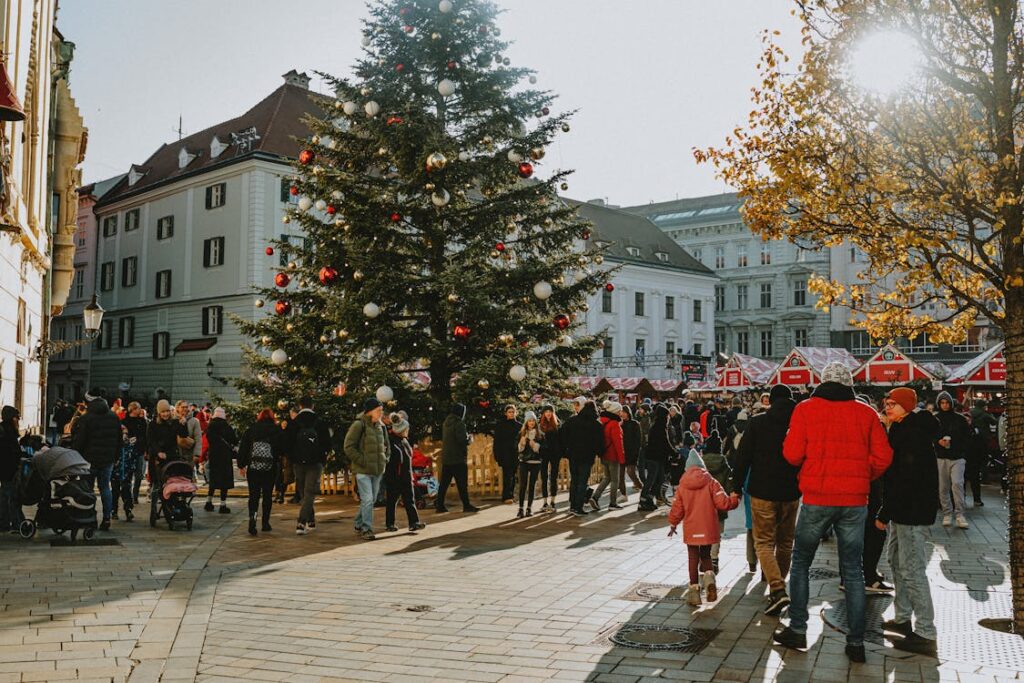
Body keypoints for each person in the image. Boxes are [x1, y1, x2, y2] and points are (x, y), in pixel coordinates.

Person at [773, 362, 893, 664]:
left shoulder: (806, 409)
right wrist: (863, 474)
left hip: (817, 497)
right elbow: (884, 457)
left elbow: (790, 454)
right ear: (848, 384)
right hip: (854, 501)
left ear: (822, 382)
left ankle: (798, 629)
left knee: (800, 563)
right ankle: (856, 642)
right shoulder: (865, 413)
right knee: (853, 570)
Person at [877, 387, 940, 655]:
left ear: (906, 406)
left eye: (893, 404)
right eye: (886, 403)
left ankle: (926, 632)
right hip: (903, 510)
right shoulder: (901, 429)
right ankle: (902, 618)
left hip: (912, 511)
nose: (888, 407)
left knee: (912, 568)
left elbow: (904, 480)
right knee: (895, 562)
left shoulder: (912, 435)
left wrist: (884, 511)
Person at [731, 385, 799, 615]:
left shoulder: (758, 422)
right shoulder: (798, 423)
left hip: (762, 491)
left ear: (771, 400)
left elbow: (743, 457)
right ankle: (777, 590)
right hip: (791, 492)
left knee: (764, 542)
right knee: (786, 542)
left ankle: (778, 590)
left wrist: (736, 486)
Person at [668, 448, 740, 606]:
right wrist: (735, 499)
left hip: (691, 529)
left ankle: (694, 592)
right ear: (702, 467)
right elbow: (723, 503)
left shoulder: (682, 485)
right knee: (706, 556)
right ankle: (709, 581)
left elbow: (677, 508)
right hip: (708, 528)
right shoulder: (711, 482)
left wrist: (673, 523)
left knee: (693, 558)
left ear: (687, 468)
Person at [72, 397, 122, 531]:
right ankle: (106, 518)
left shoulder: (86, 418)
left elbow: (80, 440)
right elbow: (119, 439)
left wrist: (76, 455)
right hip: (108, 459)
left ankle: (90, 517)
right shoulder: (114, 417)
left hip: (88, 460)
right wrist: (116, 456)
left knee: (87, 489)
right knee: (105, 487)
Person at [344, 398, 389, 540]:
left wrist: (385, 459)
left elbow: (386, 446)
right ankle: (366, 529)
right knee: (368, 499)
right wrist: (363, 461)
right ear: (370, 411)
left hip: (377, 470)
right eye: (378, 410)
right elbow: (348, 447)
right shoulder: (359, 425)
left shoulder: (381, 427)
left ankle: (358, 522)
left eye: (381, 410)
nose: (381, 413)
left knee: (371, 499)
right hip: (363, 470)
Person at [287, 396, 332, 535]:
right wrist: (322, 458)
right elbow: (328, 444)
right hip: (315, 463)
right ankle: (305, 521)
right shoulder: (320, 423)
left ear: (300, 406)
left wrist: (293, 458)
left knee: (303, 493)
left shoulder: (293, 423)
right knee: (310, 492)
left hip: (298, 463)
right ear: (313, 406)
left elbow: (286, 444)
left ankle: (303, 521)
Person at [237, 408, 284, 535]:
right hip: (270, 468)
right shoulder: (276, 430)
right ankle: (265, 523)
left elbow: (244, 447)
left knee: (254, 496)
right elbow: (281, 449)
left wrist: (241, 464)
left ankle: (252, 520)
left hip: (253, 468)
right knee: (267, 495)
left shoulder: (252, 429)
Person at [934, 391, 971, 528]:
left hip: (957, 456)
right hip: (941, 456)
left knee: (957, 484)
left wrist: (959, 447)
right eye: (942, 403)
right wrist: (938, 442)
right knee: (943, 486)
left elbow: (967, 437)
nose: (944, 405)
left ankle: (959, 514)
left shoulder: (960, 419)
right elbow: (930, 436)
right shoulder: (935, 419)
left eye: (947, 402)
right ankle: (947, 513)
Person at [384, 413, 424, 533]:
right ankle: (390, 523)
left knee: (409, 500)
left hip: (406, 477)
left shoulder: (404, 441)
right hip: (394, 477)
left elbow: (408, 459)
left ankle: (414, 522)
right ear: (401, 430)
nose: (408, 430)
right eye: (406, 429)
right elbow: (391, 460)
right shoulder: (391, 442)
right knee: (392, 501)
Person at [563, 400, 604, 516]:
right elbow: (600, 443)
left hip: (573, 455)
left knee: (574, 480)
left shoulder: (572, 421)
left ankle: (572, 506)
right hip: (587, 457)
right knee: (582, 481)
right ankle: (578, 507)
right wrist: (600, 453)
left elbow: (563, 435)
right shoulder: (596, 425)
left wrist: (566, 451)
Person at [436, 403, 479, 513]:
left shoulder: (446, 422)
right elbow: (461, 440)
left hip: (447, 458)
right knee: (462, 484)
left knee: (444, 484)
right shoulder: (459, 423)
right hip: (458, 458)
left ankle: (439, 505)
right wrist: (469, 439)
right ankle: (466, 505)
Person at [204, 408, 238, 513]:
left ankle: (208, 502)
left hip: (214, 455)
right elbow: (234, 439)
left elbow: (208, 438)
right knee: (224, 480)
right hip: (225, 456)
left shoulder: (210, 425)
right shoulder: (226, 426)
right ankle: (223, 505)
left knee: (213, 479)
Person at [639, 404, 672, 511]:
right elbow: (665, 443)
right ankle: (643, 500)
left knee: (659, 480)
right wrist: (675, 453)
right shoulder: (660, 427)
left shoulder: (657, 425)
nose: (668, 418)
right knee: (652, 479)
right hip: (654, 457)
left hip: (656, 457)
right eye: (667, 416)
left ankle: (648, 499)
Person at [0, 406, 23, 532]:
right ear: (11, 418)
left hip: (5, 468)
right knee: (11, 496)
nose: (18, 421)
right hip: (8, 468)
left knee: (5, 495)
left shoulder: (5, 429)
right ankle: (16, 523)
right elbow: (11, 451)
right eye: (16, 418)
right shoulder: (7, 431)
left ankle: (4, 523)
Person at [516, 411, 542, 517]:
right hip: (524, 462)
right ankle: (521, 508)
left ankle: (529, 508)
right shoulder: (521, 434)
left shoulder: (540, 434)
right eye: (529, 421)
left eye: (533, 421)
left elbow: (544, 449)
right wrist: (521, 444)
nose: (531, 423)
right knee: (522, 485)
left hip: (535, 462)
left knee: (532, 486)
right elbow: (518, 449)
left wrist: (535, 445)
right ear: (526, 422)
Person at [493, 405, 521, 504]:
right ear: (506, 413)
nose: (511, 414)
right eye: (509, 412)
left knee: (513, 476)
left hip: (515, 454)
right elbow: (497, 442)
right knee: (507, 475)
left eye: (513, 412)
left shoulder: (519, 426)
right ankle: (506, 496)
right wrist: (497, 454)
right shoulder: (500, 425)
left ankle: (511, 495)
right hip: (505, 454)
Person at [122, 402, 148, 505]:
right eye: (139, 408)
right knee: (128, 476)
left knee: (139, 475)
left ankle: (135, 495)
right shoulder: (124, 421)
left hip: (140, 450)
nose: (140, 410)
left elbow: (146, 436)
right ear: (133, 409)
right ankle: (127, 495)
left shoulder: (143, 421)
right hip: (127, 452)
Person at [537, 406, 562, 513]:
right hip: (543, 454)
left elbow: (561, 440)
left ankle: (553, 501)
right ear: (543, 413)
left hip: (555, 454)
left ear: (553, 413)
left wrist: (560, 452)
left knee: (554, 477)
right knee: (544, 476)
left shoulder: (557, 424)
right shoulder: (540, 425)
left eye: (550, 411)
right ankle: (544, 502)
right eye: (546, 412)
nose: (548, 413)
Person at [619, 405, 643, 495]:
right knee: (620, 475)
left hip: (632, 452)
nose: (623, 414)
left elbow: (638, 440)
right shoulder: (620, 424)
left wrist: (636, 452)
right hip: (621, 452)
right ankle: (623, 494)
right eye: (621, 412)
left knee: (630, 472)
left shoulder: (635, 424)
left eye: (624, 412)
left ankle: (641, 487)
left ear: (628, 413)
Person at [174, 401, 203, 465]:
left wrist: (197, 454)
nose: (185, 409)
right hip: (174, 455)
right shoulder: (173, 420)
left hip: (189, 455)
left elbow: (198, 439)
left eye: (186, 407)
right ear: (178, 408)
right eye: (183, 407)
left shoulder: (194, 421)